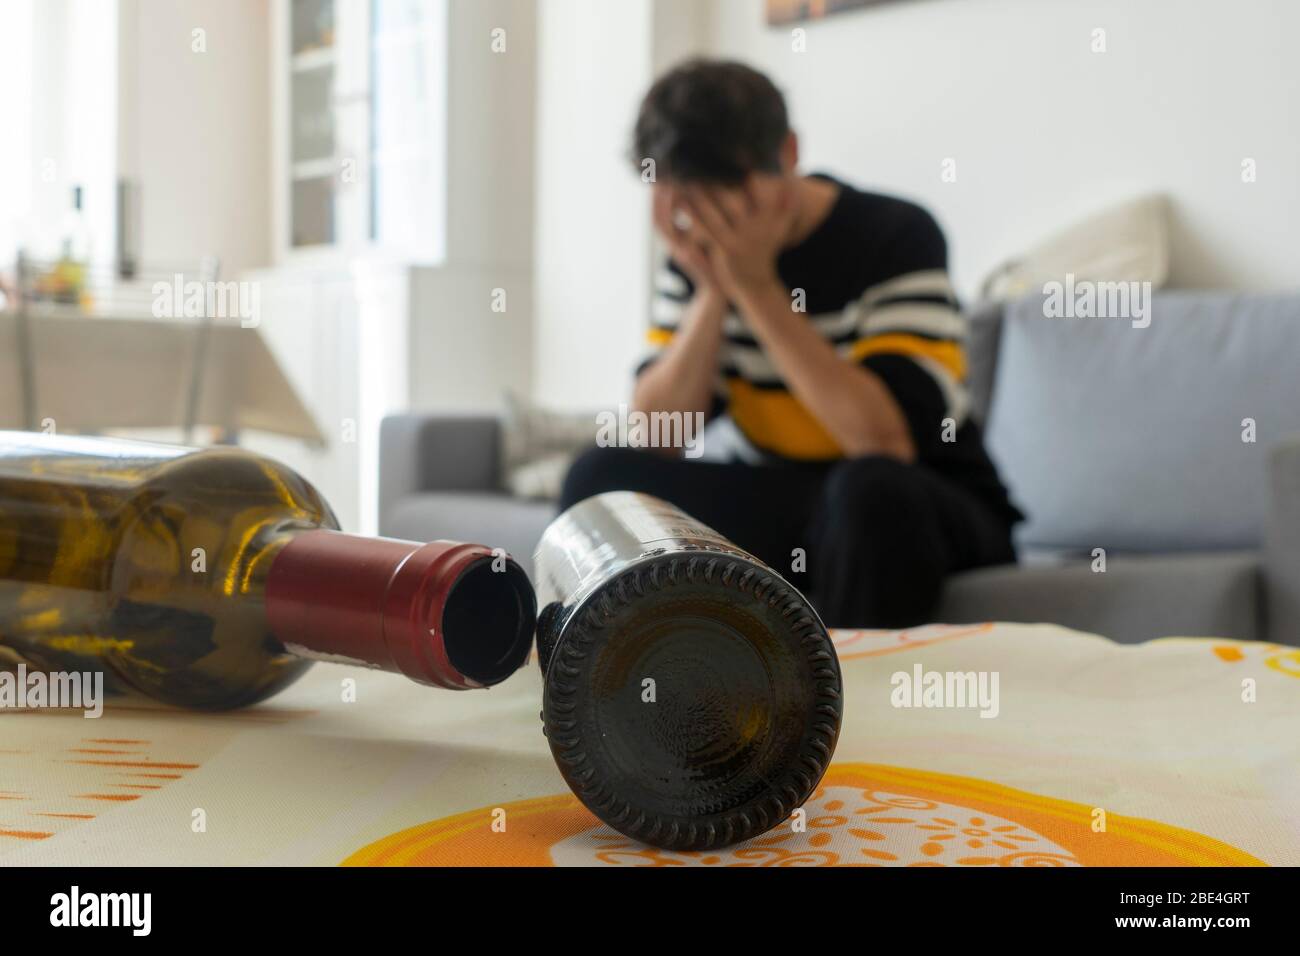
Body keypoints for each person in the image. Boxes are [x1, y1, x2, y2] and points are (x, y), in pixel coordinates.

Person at [560, 59, 1023, 628]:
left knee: (869, 491)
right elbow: (661, 434)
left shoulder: (897, 235)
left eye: (724, 190)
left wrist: (757, 288)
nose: (709, 217)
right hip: (793, 503)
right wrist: (713, 288)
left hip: (922, 499)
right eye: (688, 196)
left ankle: (842, 706)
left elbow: (882, 439)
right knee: (599, 480)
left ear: (789, 154)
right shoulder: (696, 255)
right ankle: (624, 690)